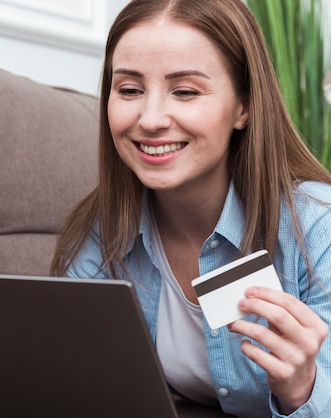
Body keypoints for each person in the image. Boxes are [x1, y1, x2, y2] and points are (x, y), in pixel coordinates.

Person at [49, 0, 331, 416]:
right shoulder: (103, 230)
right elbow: (68, 380)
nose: (150, 118)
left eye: (185, 91)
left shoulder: (317, 225)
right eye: (129, 89)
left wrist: (300, 391)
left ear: (244, 106)